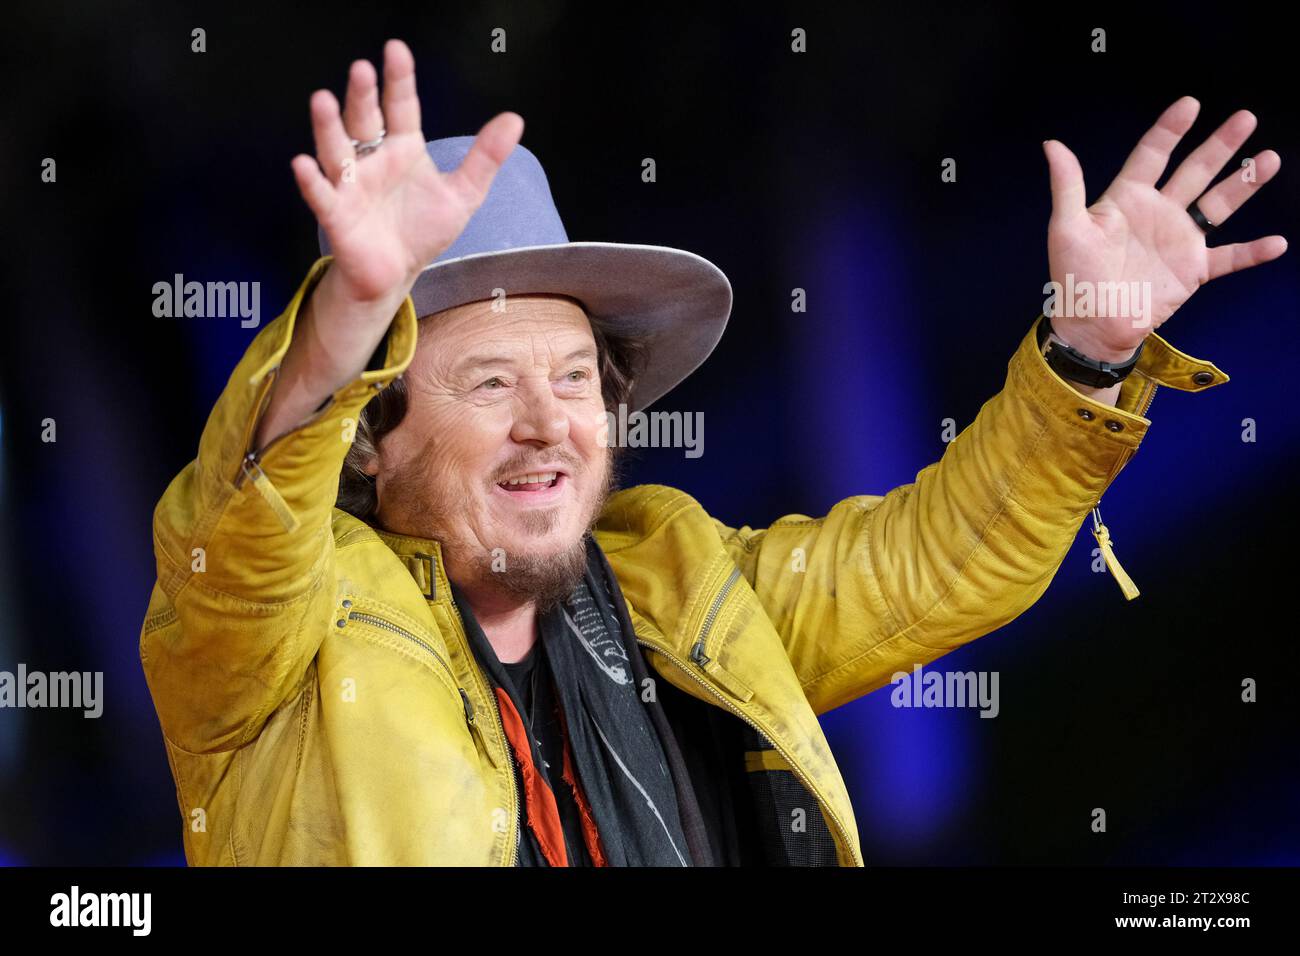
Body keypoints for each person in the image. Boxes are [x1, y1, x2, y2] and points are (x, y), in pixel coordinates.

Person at [139, 39, 1285, 866]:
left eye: (576, 377)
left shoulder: (679, 585)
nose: (549, 419)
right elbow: (246, 526)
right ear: (369, 446)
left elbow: (937, 559)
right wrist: (347, 324)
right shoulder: (274, 640)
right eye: (490, 382)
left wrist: (1084, 352)